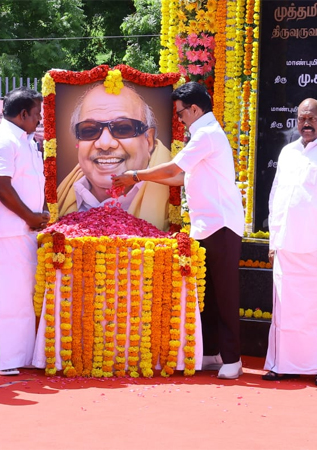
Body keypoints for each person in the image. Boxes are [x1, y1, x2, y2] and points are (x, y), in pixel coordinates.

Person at [113, 82, 244, 379]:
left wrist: (135, 175)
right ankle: (212, 353)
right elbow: (179, 177)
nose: (180, 119)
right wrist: (141, 179)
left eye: (181, 113)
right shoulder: (202, 134)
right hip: (205, 225)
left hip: (221, 224)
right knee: (207, 294)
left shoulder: (207, 134)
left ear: (195, 109)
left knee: (224, 295)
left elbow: (173, 170)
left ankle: (233, 359)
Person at [264, 98, 317, 386]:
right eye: (302, 118)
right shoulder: (288, 152)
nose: (306, 123)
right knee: (286, 310)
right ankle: (283, 364)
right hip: (287, 246)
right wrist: (274, 241)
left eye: (312, 118)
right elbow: (276, 198)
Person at [0, 87, 48, 376]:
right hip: (5, 231)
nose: (40, 119)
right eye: (37, 113)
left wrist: (37, 215)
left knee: (20, 296)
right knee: (2, 296)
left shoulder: (26, 140)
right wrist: (30, 216)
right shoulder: (3, 140)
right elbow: (1, 185)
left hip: (22, 230)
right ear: (23, 114)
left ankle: (16, 356)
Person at [56, 82, 172, 230]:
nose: (104, 144)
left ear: (148, 141)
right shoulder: (52, 199)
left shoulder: (183, 197)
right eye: (90, 130)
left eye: (122, 129)